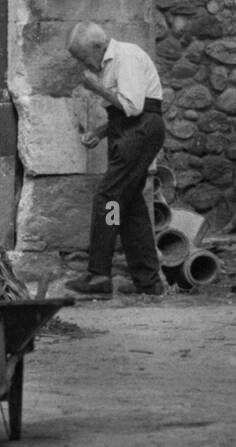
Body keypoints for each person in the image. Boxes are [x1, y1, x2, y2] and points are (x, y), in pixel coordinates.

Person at [64, 21, 166, 297]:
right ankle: (149, 282)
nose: (82, 63)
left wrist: (96, 88)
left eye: (83, 57)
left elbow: (134, 107)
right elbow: (123, 111)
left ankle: (99, 275)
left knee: (108, 198)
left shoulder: (126, 56)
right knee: (129, 205)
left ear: (98, 47)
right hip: (130, 130)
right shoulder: (108, 63)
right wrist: (101, 132)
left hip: (140, 131)